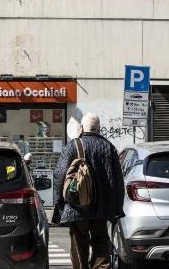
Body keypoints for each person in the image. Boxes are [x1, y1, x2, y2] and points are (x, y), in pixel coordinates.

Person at [52, 113, 124, 269]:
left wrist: (60, 207)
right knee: (101, 242)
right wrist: (117, 209)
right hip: (102, 208)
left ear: (81, 128)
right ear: (99, 129)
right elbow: (118, 181)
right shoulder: (109, 147)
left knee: (79, 243)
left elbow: (59, 175)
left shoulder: (72, 146)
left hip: (77, 206)